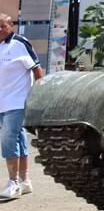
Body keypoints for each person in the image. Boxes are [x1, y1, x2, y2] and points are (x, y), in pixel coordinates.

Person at [0, 14, 44, 200]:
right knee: (18, 138)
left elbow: (36, 68)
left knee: (8, 138)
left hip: (18, 101)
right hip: (2, 102)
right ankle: (25, 181)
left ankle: (13, 183)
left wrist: (39, 93)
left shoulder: (19, 43)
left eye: (2, 26)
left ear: (10, 26)